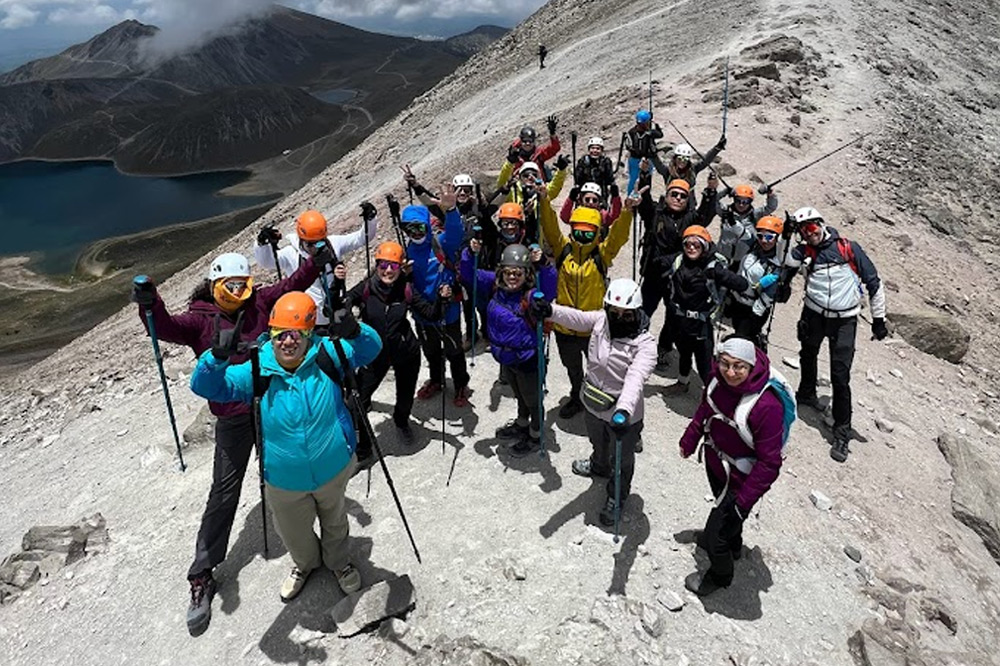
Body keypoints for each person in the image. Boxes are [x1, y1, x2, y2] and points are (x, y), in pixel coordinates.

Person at [131, 250, 325, 634]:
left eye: (242, 284)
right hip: (232, 420)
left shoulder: (261, 302)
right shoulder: (198, 321)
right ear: (215, 285)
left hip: (269, 408)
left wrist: (314, 264)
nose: (238, 292)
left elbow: (292, 286)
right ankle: (202, 573)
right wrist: (150, 305)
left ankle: (308, 544)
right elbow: (163, 326)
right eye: (230, 285)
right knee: (223, 492)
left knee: (291, 471)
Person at [188, 292, 382, 602]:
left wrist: (358, 331)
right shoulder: (257, 369)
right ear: (271, 334)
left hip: (332, 465)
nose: (287, 342)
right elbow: (207, 387)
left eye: (295, 334)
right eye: (280, 334)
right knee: (293, 532)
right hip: (283, 479)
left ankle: (339, 563)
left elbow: (371, 349)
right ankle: (306, 564)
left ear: (308, 334)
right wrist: (215, 358)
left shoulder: (328, 354)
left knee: (335, 521)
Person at [531, 279, 656, 524]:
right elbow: (577, 318)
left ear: (637, 312)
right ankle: (599, 465)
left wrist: (624, 410)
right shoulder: (601, 321)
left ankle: (617, 496)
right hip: (593, 403)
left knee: (622, 459)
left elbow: (635, 378)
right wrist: (551, 311)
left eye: (626, 314)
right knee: (597, 441)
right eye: (614, 312)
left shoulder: (645, 345)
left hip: (623, 415)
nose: (619, 318)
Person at [678, 337, 789, 596]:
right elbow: (706, 409)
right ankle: (734, 545)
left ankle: (720, 575)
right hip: (718, 463)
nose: (730, 372)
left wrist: (742, 503)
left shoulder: (767, 406)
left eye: (739, 367)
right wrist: (690, 438)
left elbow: (770, 463)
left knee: (719, 531)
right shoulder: (717, 380)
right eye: (725, 364)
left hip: (741, 481)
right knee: (722, 512)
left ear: (751, 367)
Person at [776, 207, 888, 462]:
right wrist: (785, 235)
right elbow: (783, 262)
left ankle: (842, 432)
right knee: (808, 353)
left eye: (812, 228)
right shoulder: (802, 251)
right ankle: (806, 393)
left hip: (844, 320)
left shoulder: (848, 248)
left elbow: (874, 282)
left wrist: (879, 318)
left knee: (840, 375)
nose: (809, 234)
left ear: (822, 224)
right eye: (804, 231)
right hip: (813, 314)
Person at [540, 183, 638, 419]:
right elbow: (551, 226)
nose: (583, 236)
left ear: (596, 231)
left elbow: (617, 237)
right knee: (573, 368)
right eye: (578, 231)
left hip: (594, 328)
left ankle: (602, 402)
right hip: (565, 327)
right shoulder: (563, 250)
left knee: (600, 369)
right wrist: (543, 201)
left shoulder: (601, 254)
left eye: (589, 232)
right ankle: (577, 397)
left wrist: (626, 213)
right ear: (572, 229)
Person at [344, 241, 446, 454]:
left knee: (405, 395)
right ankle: (364, 445)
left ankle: (401, 422)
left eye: (394, 266)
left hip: (406, 352)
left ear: (401, 268)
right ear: (377, 266)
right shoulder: (366, 288)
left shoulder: (406, 290)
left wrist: (441, 299)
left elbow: (431, 314)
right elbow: (343, 303)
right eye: (383, 265)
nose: (388, 271)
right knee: (356, 401)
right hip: (374, 354)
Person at [462, 244, 556, 454]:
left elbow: (550, 288)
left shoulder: (531, 295)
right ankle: (522, 425)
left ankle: (535, 436)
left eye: (518, 273)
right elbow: (469, 273)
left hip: (527, 359)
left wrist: (543, 264)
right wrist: (470, 252)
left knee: (533, 400)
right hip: (506, 358)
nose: (512, 277)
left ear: (526, 273)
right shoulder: (495, 287)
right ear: (501, 272)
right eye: (508, 272)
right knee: (520, 396)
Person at [398, 187, 472, 407]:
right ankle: (437, 380)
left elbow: (456, 233)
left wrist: (450, 210)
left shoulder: (440, 244)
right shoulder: (406, 252)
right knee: (430, 350)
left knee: (454, 350)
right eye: (408, 229)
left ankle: (460, 384)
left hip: (447, 311)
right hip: (422, 314)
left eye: (419, 227)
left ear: (427, 226)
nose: (415, 233)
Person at [255, 206, 378, 331]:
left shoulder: (334, 244)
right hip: (305, 322)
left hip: (335, 316)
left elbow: (361, 239)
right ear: (301, 240)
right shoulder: (291, 254)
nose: (315, 247)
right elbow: (267, 262)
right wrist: (262, 244)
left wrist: (370, 220)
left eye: (320, 242)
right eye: (310, 244)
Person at [638, 177, 718, 368]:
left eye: (683, 196)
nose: (678, 198)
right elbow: (644, 205)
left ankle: (663, 349)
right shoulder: (656, 214)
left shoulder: (690, 218)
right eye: (674, 194)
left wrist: (710, 193)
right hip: (653, 274)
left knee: (673, 316)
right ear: (666, 196)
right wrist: (644, 177)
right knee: (644, 311)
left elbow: (705, 217)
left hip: (676, 278)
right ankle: (637, 344)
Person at [659, 225, 749, 392]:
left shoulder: (713, 266)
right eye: (687, 244)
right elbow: (656, 264)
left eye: (697, 244)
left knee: (705, 364)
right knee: (684, 354)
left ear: (705, 246)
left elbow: (742, 285)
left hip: (702, 325)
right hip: (680, 321)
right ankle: (682, 382)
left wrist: (720, 274)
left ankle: (714, 396)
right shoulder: (678, 261)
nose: (691, 248)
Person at [728, 216, 785, 347]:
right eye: (761, 236)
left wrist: (756, 313)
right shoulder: (754, 247)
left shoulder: (777, 261)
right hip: (738, 302)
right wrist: (732, 220)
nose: (764, 241)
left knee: (743, 339)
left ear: (777, 239)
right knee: (738, 332)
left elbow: (771, 291)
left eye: (770, 237)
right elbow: (744, 233)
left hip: (754, 308)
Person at [494, 159, 568, 243]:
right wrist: (510, 163)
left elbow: (554, 187)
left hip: (538, 238)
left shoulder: (542, 191)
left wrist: (561, 171)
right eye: (526, 175)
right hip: (518, 238)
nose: (530, 177)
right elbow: (501, 186)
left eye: (534, 175)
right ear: (520, 178)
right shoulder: (513, 192)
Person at [715, 183, 779, 269]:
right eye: (738, 200)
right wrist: (724, 192)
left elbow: (771, 207)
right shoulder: (726, 212)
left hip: (743, 259)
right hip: (723, 255)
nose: (741, 205)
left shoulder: (755, 215)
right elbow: (713, 201)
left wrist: (770, 194)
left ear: (750, 202)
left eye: (745, 202)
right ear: (733, 199)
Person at [623, 110, 664, 195]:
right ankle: (635, 196)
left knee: (641, 179)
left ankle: (640, 197)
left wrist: (655, 126)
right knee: (638, 179)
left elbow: (660, 135)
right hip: (640, 159)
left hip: (641, 159)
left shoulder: (635, 132)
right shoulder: (644, 133)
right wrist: (656, 126)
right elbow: (660, 134)